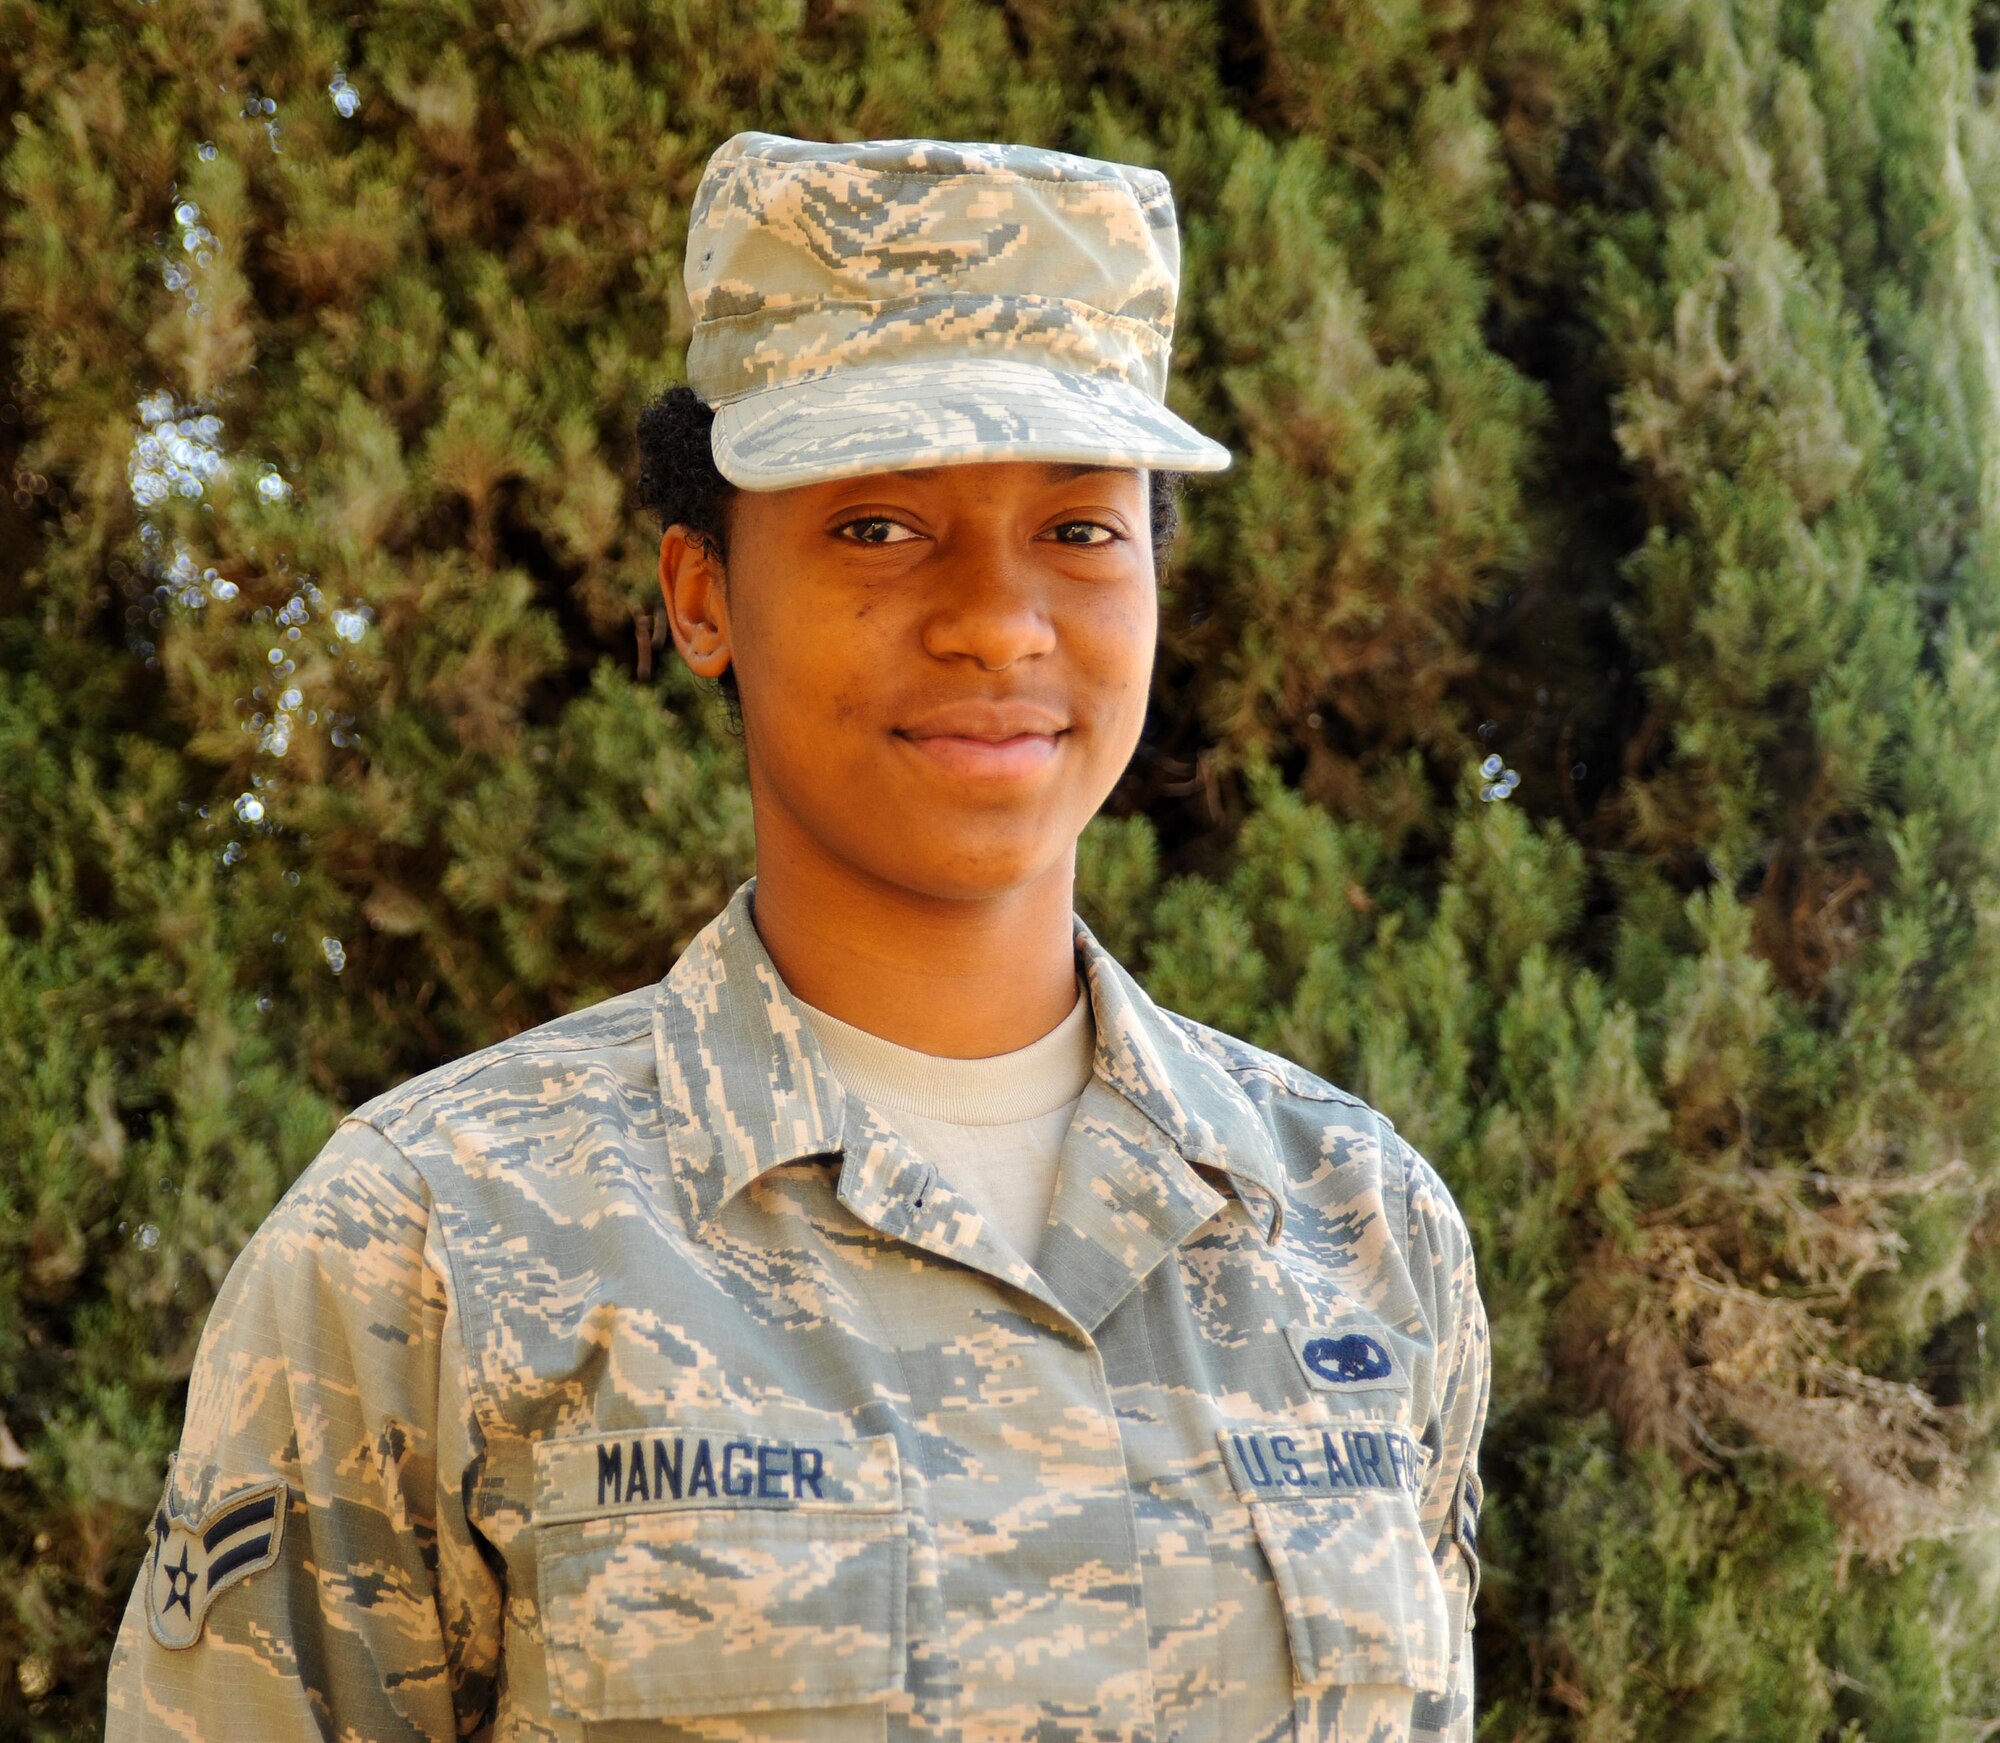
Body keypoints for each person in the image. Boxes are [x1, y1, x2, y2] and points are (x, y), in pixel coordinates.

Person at [106, 131, 1488, 1743]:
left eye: (1082, 530)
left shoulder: (1356, 1228)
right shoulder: (431, 1240)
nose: (997, 617)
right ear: (701, 594)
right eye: (878, 527)